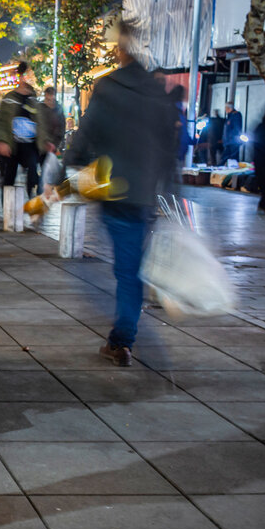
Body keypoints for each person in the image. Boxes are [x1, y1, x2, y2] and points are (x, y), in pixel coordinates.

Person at [66, 22, 177, 367]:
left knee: (126, 271)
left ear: (121, 51)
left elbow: (85, 134)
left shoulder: (108, 88)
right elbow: (170, 148)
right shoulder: (158, 93)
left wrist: (73, 163)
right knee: (132, 269)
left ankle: (122, 340)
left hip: (114, 191)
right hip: (144, 195)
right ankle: (122, 338)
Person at [0, 62, 42, 198]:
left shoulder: (34, 99)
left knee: (32, 176)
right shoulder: (9, 98)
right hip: (12, 146)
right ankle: (7, 210)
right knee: (8, 179)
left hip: (30, 145)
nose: (26, 78)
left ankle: (32, 204)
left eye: (29, 74)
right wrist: (0, 141)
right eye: (24, 74)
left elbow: (41, 122)